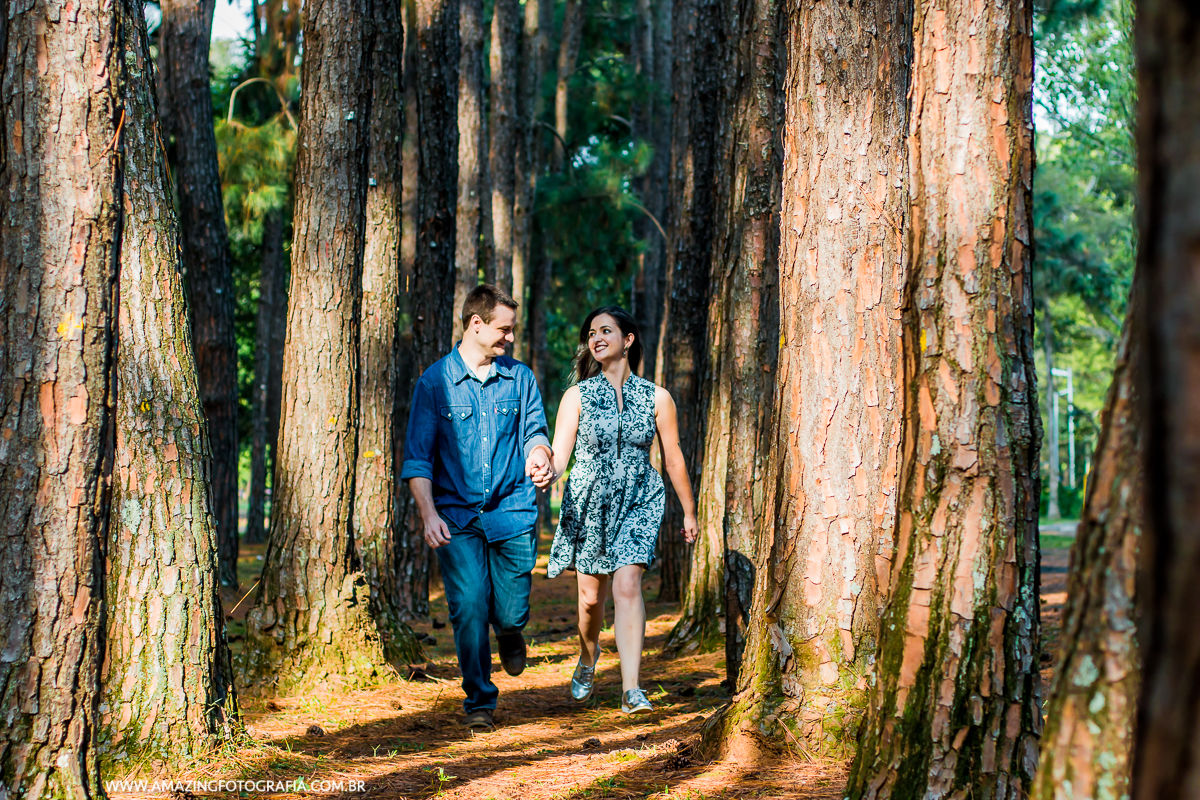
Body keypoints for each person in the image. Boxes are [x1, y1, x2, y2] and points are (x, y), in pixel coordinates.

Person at [400, 284, 554, 730]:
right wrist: (428, 514)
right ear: (476, 324)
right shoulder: (434, 383)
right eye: (504, 330)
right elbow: (417, 459)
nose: (510, 338)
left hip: (512, 510)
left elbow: (535, 432)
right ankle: (480, 702)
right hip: (455, 516)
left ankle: (509, 632)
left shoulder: (520, 378)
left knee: (509, 610)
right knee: (468, 605)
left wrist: (539, 454)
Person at [542, 306, 698, 714]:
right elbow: (561, 453)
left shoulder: (657, 397)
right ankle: (589, 655)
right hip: (589, 499)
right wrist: (548, 471)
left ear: (627, 340)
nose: (596, 338)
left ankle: (631, 689)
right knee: (591, 600)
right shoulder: (576, 395)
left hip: (639, 497)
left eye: (605, 330)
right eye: (591, 332)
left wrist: (689, 511)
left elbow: (673, 457)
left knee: (627, 585)